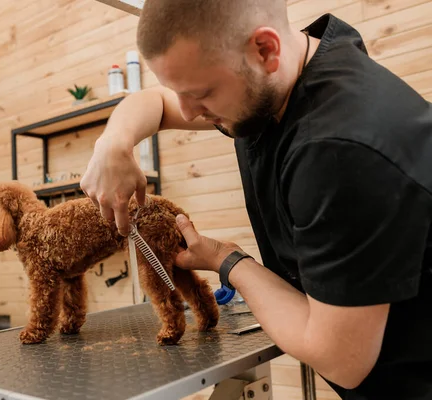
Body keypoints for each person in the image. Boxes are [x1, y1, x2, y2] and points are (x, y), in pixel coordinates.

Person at [80, 1, 432, 399]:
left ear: (266, 50)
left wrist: (227, 260)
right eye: (180, 91)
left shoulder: (340, 149)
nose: (187, 111)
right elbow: (154, 104)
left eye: (200, 93)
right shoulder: (286, 76)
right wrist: (112, 144)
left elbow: (340, 359)